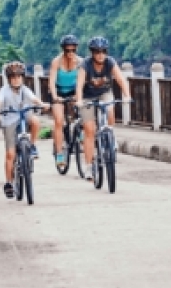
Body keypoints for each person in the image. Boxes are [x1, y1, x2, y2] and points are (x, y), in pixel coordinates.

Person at [75, 36, 131, 181]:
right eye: (97, 52)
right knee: (89, 130)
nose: (100, 55)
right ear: (92, 53)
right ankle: (88, 166)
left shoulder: (110, 62)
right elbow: (80, 84)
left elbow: (120, 79)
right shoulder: (85, 64)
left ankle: (110, 134)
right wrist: (79, 100)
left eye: (103, 51)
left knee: (110, 109)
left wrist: (127, 95)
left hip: (104, 93)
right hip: (87, 97)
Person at [0, 61, 47, 199]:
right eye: (13, 77)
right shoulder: (3, 91)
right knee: (10, 154)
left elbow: (34, 99)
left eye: (18, 77)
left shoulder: (25, 89)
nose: (16, 80)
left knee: (35, 121)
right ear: (9, 79)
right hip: (9, 120)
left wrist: (42, 104)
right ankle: (9, 183)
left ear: (22, 77)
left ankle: (32, 145)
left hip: (24, 115)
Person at [49, 34, 83, 168]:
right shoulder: (56, 62)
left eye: (73, 50)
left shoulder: (80, 62)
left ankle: (79, 133)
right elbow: (51, 81)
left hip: (73, 91)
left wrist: (78, 96)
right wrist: (55, 96)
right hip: (58, 91)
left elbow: (82, 81)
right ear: (63, 50)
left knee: (83, 112)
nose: (70, 53)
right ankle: (59, 154)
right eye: (67, 50)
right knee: (59, 121)